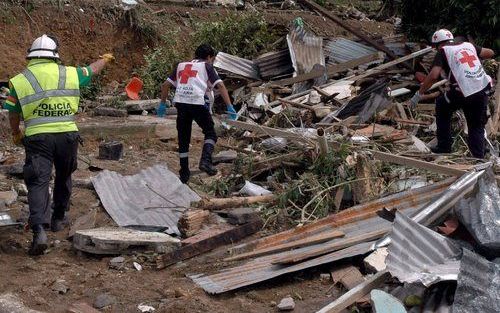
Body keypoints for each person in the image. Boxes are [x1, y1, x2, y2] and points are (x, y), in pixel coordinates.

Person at [4, 34, 114, 255]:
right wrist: (105, 59)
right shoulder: (70, 73)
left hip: (37, 138)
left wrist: (16, 133)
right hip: (67, 136)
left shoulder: (19, 80)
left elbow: (13, 113)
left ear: (31, 55)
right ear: (55, 55)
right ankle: (58, 218)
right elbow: (92, 70)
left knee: (38, 181)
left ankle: (39, 230)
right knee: (64, 175)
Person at [410, 29, 495, 158]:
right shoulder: (468, 45)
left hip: (463, 91)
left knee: (442, 105)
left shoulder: (443, 51)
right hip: (482, 88)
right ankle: (478, 159)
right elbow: (490, 53)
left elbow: (433, 75)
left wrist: (419, 94)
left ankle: (444, 147)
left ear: (438, 44)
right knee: (476, 125)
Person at [160, 44, 237, 184]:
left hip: (181, 104)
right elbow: (220, 85)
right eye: (212, 59)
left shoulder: (181, 65)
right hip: (197, 102)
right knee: (211, 133)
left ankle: (184, 172)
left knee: (183, 138)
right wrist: (230, 106)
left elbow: (165, 85)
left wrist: (162, 105)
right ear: (209, 57)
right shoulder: (207, 66)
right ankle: (205, 161)